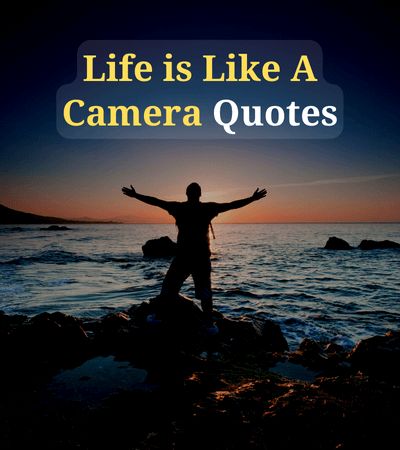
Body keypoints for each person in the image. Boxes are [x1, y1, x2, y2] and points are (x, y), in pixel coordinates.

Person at [122, 182, 267, 331]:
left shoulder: (178, 207)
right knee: (205, 292)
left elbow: (156, 202)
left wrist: (136, 195)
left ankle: (159, 317)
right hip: (201, 258)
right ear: (200, 194)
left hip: (183, 258)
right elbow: (232, 205)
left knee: (168, 289)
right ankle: (209, 325)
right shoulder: (208, 208)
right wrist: (252, 198)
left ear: (186, 194)